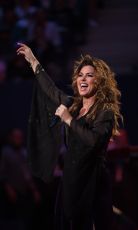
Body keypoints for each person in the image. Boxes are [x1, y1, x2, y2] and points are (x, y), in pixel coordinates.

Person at [16, 42, 122, 230]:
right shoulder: (73, 106)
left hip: (92, 182)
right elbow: (51, 91)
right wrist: (33, 61)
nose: (83, 79)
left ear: (99, 81)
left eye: (89, 75)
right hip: (71, 180)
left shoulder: (104, 112)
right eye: (80, 75)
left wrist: (68, 120)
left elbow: (94, 141)